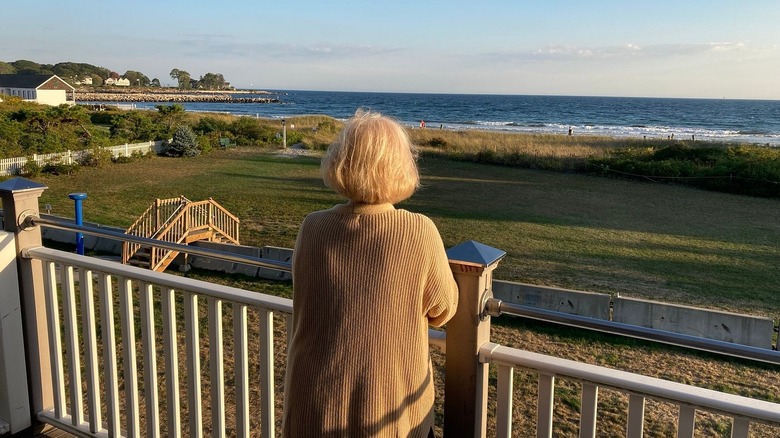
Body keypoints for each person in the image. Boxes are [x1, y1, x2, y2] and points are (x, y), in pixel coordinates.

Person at [282, 109, 459, 437]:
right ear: (401, 167)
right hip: (388, 413)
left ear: (340, 163)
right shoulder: (418, 231)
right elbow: (443, 309)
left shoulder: (313, 226)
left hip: (313, 407)